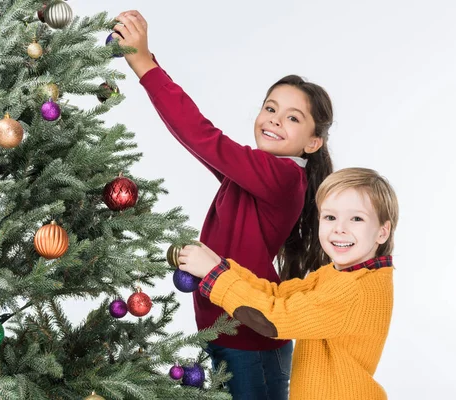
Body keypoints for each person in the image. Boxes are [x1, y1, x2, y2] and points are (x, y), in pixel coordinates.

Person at [113, 10, 334, 399]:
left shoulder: (282, 176)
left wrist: (145, 64)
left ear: (312, 143)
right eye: (270, 108)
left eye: (293, 118)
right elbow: (200, 145)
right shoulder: (260, 172)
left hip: (249, 342)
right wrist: (148, 63)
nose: (274, 120)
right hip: (231, 333)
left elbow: (202, 138)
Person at [178, 167, 399, 400]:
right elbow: (278, 294)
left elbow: (273, 319)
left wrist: (215, 276)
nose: (340, 228)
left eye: (356, 218)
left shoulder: (353, 289)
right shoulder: (340, 274)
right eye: (330, 217)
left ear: (382, 233)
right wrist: (222, 266)